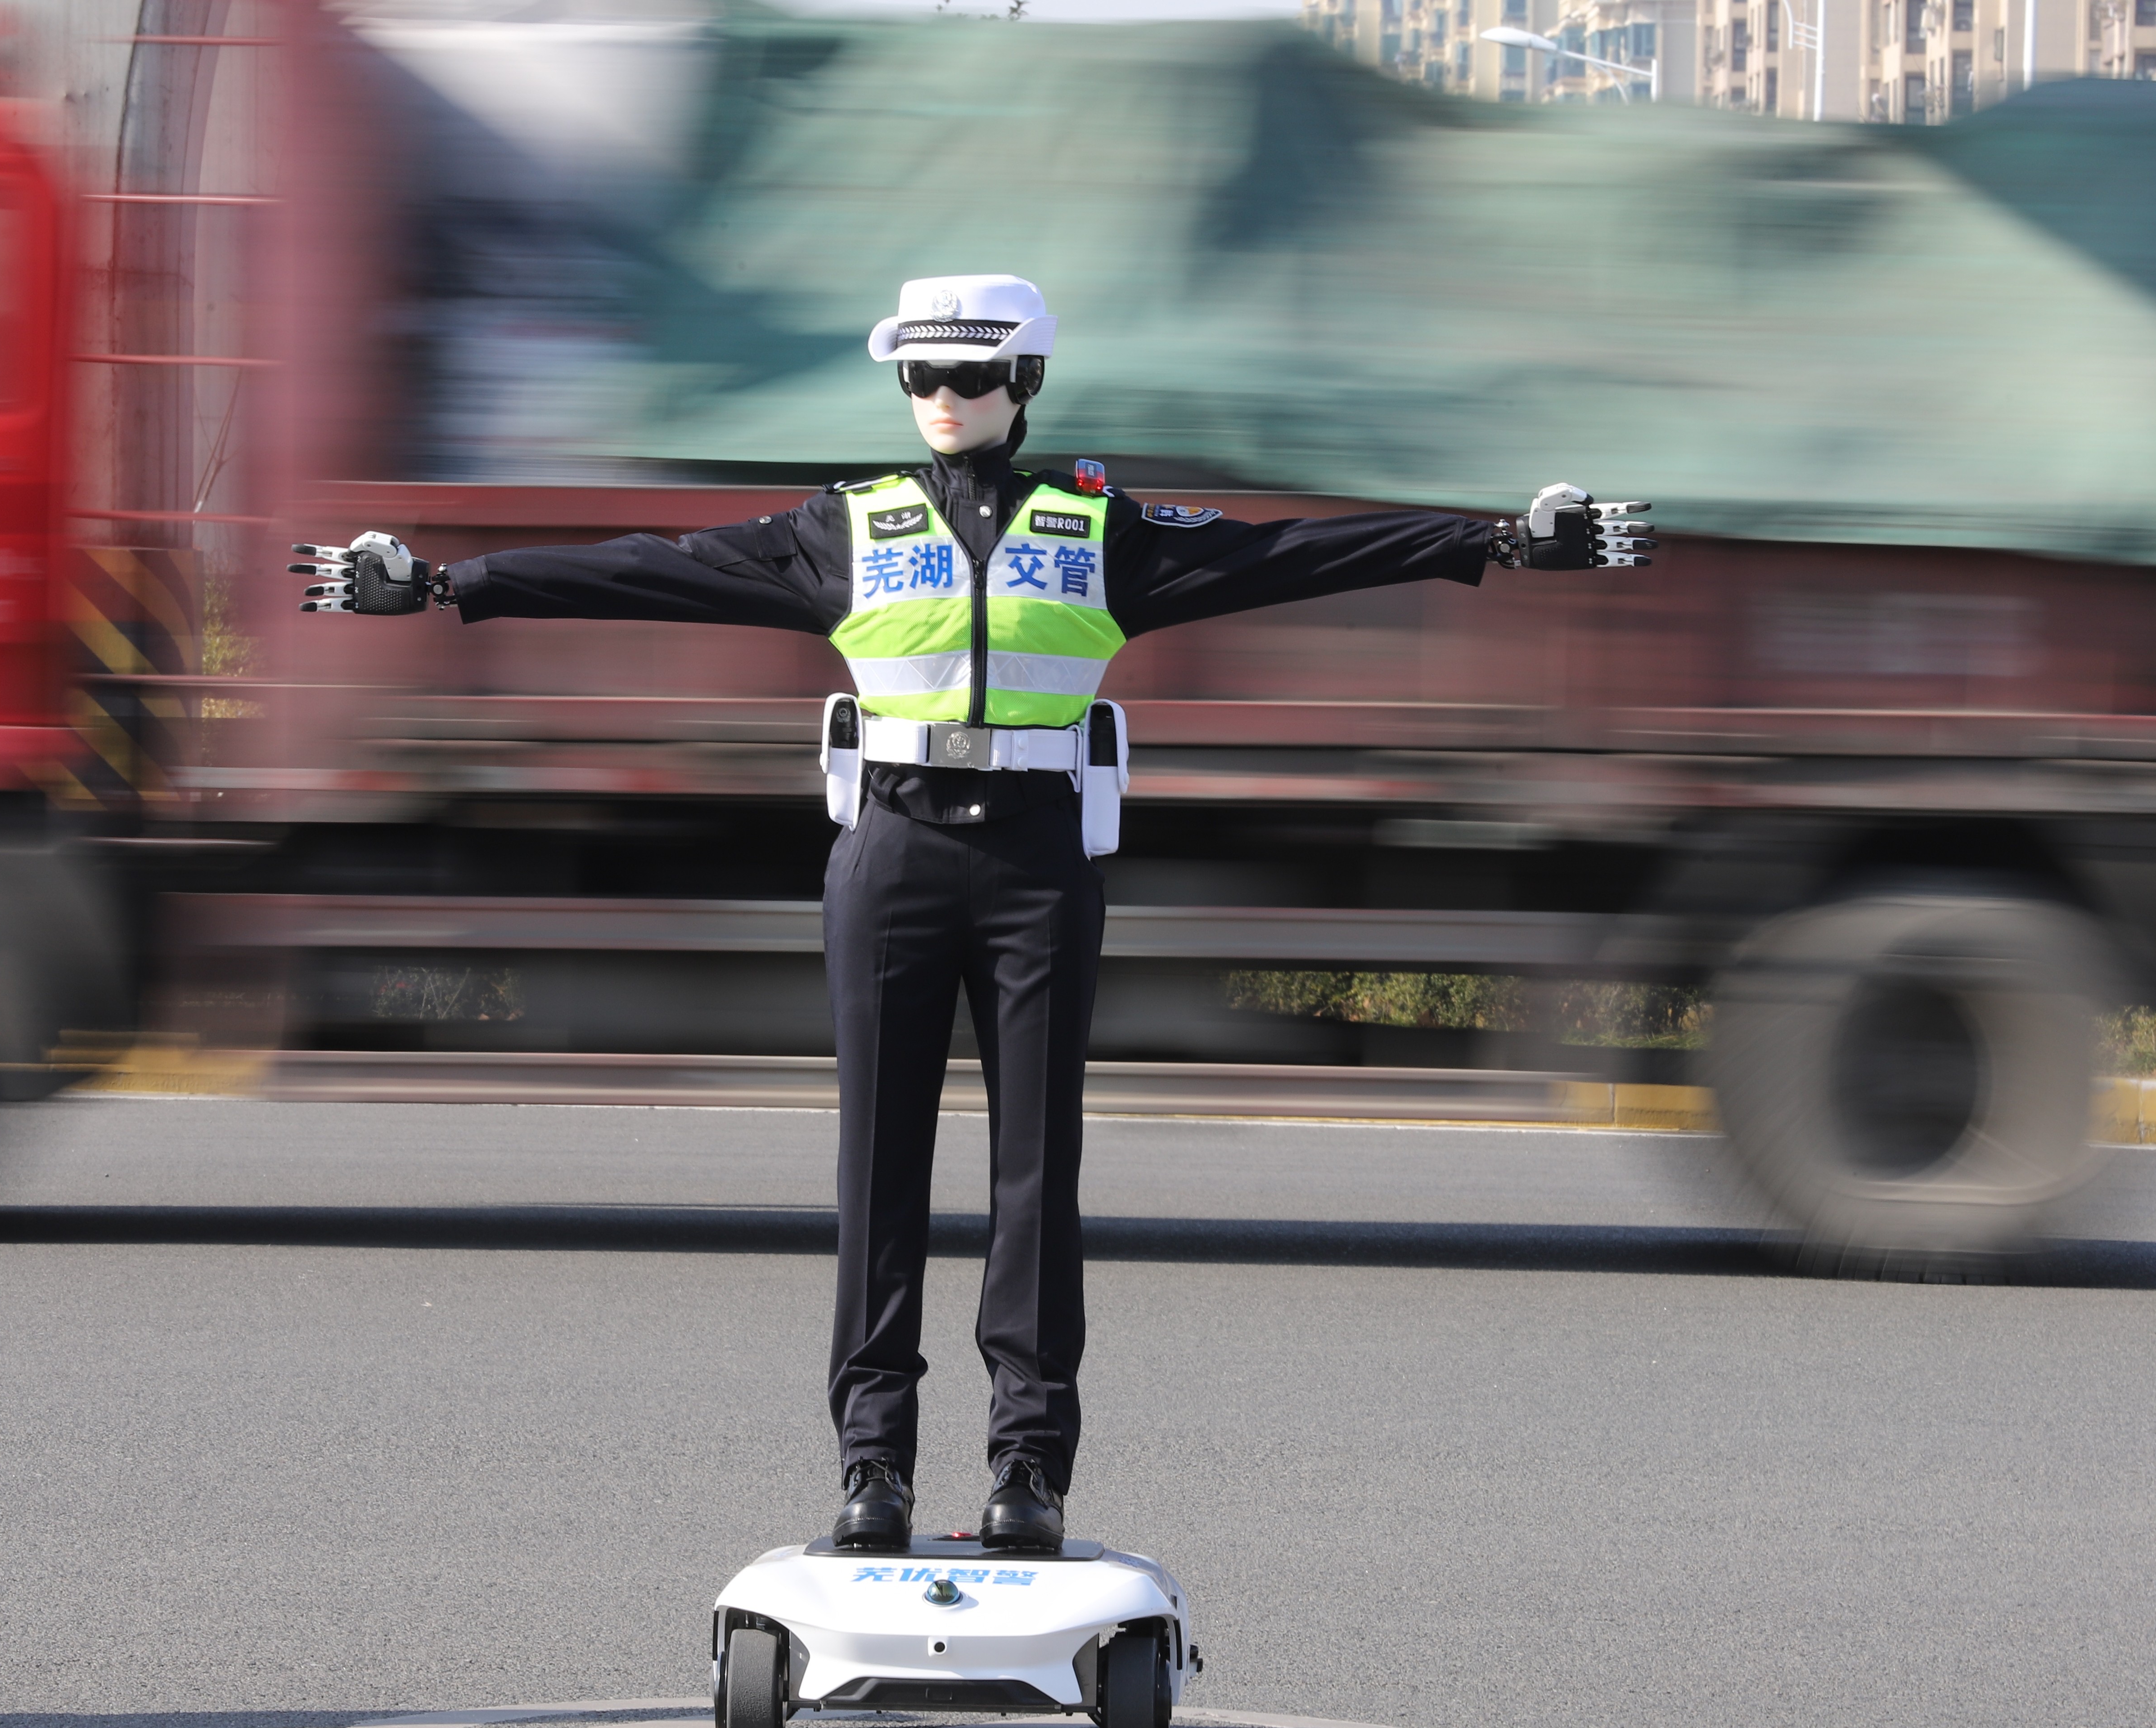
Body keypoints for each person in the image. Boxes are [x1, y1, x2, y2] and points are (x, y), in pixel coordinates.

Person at [290, 274, 1650, 1553]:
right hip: (889, 853)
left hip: (1038, 864)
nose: (941, 392)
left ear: (1028, 378)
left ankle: (1026, 1470)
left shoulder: (1102, 525)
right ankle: (873, 1464)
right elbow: (651, 565)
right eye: (918, 369)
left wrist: (1497, 544)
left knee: (1034, 1175)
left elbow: (1293, 554)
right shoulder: (845, 523)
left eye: (970, 370)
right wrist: (450, 585)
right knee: (876, 1170)